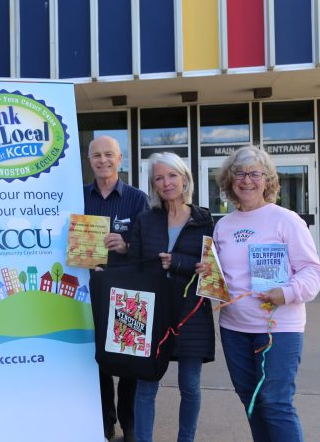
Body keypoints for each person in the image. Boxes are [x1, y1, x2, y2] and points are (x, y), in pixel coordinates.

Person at [210, 145, 320, 442]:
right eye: (240, 173)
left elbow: (313, 272)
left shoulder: (286, 220)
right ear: (229, 180)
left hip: (279, 329)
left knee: (275, 402)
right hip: (234, 328)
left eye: (255, 174)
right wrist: (208, 275)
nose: (247, 180)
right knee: (251, 401)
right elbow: (224, 275)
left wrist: (285, 293)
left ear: (267, 180)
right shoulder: (223, 225)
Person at [127, 153, 215, 442]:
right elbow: (135, 265)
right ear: (153, 185)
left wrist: (179, 261)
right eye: (159, 178)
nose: (166, 183)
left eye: (172, 175)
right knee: (146, 386)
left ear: (185, 178)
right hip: (150, 313)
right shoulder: (145, 219)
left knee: (189, 386)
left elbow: (213, 270)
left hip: (191, 313)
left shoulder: (205, 220)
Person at [84, 136, 149, 442]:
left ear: (120, 158)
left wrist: (126, 245)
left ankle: (130, 425)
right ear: (89, 160)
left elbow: (149, 245)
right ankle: (105, 422)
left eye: (109, 154)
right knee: (98, 359)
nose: (102, 160)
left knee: (128, 362)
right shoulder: (80, 196)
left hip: (127, 291)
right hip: (91, 287)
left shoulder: (137, 199)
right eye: (96, 155)